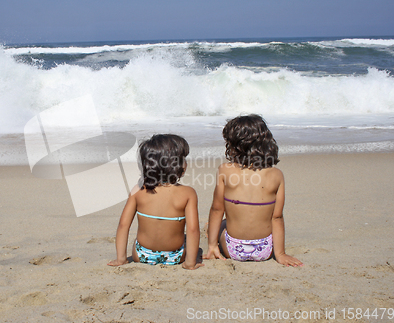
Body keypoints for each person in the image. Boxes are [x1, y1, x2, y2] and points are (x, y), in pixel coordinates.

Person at [204, 114, 303, 267]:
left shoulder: (225, 170)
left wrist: (212, 246)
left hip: (232, 249)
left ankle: (211, 235)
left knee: (222, 222)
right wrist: (280, 254)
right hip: (265, 250)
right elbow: (277, 218)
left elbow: (217, 209)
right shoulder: (276, 175)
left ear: (234, 145)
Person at [108, 134, 203, 270]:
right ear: (174, 164)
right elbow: (193, 229)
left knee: (137, 241)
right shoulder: (188, 193)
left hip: (142, 255)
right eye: (183, 159)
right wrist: (190, 263)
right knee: (187, 239)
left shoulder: (138, 190)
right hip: (175, 256)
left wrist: (121, 258)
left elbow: (124, 225)